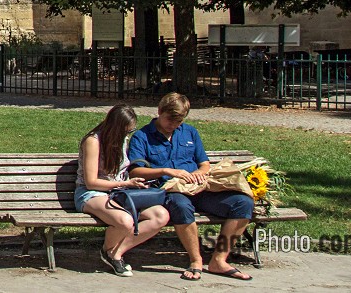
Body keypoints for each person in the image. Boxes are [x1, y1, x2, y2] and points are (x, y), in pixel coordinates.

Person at [127, 92, 255, 282]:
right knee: (181, 206)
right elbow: (135, 171)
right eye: (170, 120)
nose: (173, 125)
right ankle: (196, 260)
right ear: (159, 111)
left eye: (179, 122)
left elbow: (204, 163)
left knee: (243, 203)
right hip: (169, 190)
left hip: (198, 188)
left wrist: (200, 172)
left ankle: (219, 260)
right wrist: (167, 171)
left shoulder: (190, 133)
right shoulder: (142, 137)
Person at [74, 104, 170, 277]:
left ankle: (114, 252)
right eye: (126, 131)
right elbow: (91, 182)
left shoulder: (121, 139)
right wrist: (125, 185)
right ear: (115, 127)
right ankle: (112, 254)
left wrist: (133, 183)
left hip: (120, 192)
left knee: (161, 216)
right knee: (125, 221)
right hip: (92, 193)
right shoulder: (93, 141)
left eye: (130, 132)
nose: (128, 135)